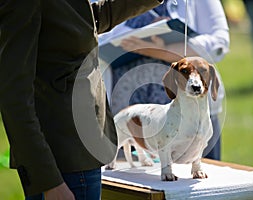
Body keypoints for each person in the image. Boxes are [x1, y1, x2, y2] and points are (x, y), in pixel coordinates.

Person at [0, 0, 164, 199]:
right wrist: (50, 182)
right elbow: (13, 97)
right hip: (63, 161)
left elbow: (87, 20)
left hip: (83, 150)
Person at [100, 0, 230, 160]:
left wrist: (165, 50)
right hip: (125, 104)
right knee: (126, 175)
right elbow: (92, 31)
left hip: (193, 110)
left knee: (196, 178)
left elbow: (219, 43)